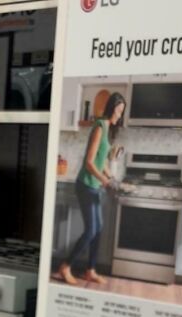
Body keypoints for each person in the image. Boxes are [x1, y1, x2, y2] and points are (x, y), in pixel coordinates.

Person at [57, 92, 126, 286]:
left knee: (98, 229)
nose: (119, 115)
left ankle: (90, 270)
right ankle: (65, 266)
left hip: (95, 186)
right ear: (111, 107)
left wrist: (111, 177)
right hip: (86, 185)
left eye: (122, 112)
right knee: (91, 230)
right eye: (118, 110)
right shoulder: (99, 126)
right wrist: (104, 180)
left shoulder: (109, 129)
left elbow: (101, 159)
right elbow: (89, 162)